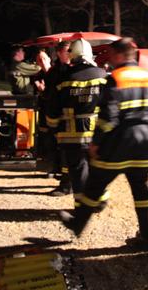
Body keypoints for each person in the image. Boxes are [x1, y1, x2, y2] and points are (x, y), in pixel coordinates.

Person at [60, 37, 148, 252]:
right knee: (142, 192)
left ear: (121, 55)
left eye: (112, 55)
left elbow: (108, 117)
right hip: (142, 144)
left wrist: (96, 143)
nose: (110, 59)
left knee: (94, 186)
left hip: (117, 144)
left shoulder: (117, 78)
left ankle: (77, 224)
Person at [46, 39, 107, 208]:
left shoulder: (63, 79)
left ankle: (82, 206)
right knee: (97, 168)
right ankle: (100, 199)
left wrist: (53, 128)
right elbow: (110, 106)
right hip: (97, 135)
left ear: (72, 55)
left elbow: (52, 109)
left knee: (78, 171)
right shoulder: (102, 76)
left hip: (71, 137)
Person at [42, 41, 73, 195]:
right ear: (59, 53)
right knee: (56, 147)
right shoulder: (53, 72)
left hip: (71, 118)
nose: (70, 54)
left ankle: (67, 183)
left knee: (68, 152)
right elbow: (49, 94)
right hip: (57, 115)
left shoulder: (74, 70)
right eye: (67, 51)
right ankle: (60, 175)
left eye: (71, 51)